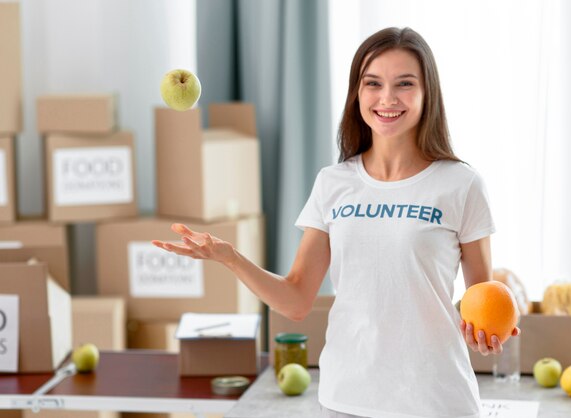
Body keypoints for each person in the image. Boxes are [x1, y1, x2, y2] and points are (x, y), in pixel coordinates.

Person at [152, 27, 520, 418]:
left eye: (405, 84)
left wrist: (483, 334)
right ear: (356, 93)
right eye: (372, 84)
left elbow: (481, 299)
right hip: (346, 399)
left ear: (428, 93)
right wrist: (230, 258)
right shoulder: (334, 182)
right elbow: (296, 300)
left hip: (435, 401)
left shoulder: (460, 184)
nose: (387, 98)